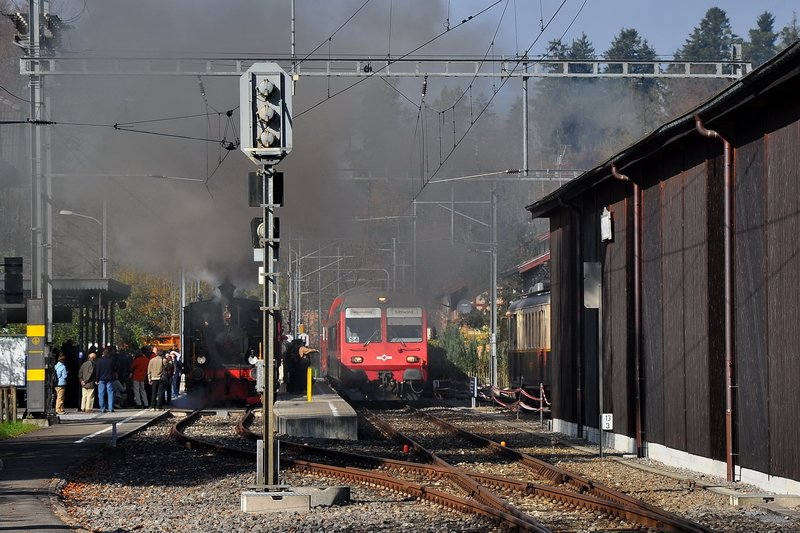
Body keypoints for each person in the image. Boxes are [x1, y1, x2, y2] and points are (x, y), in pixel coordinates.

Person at [95, 348, 117, 413]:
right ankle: (110, 408)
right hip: (110, 378)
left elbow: (98, 370)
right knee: (110, 393)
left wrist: (96, 379)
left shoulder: (99, 361)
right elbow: (114, 369)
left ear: (103, 354)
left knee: (101, 394)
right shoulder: (112, 360)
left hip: (101, 379)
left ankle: (102, 408)